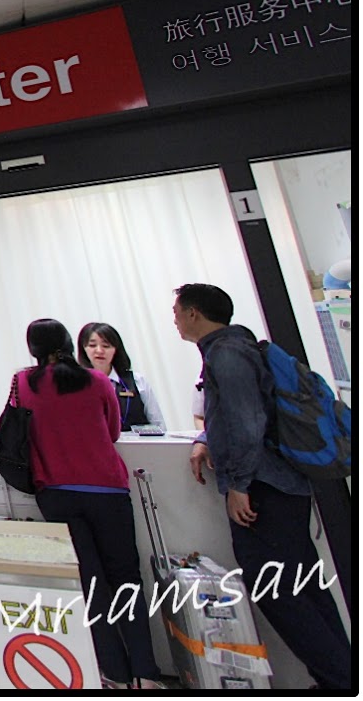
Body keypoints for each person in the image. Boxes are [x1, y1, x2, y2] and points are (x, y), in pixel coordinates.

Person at [173, 283, 352, 691]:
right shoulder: (238, 347)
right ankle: (341, 676)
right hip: (280, 484)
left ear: (195, 313)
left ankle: (338, 681)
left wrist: (238, 484)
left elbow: (247, 420)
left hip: (264, 488)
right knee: (303, 587)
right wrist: (205, 439)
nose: (176, 320)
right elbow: (239, 414)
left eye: (178, 312)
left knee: (276, 589)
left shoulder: (226, 354)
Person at [11, 319, 163, 690]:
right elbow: (112, 432)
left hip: (56, 492)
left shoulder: (23, 383)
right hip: (107, 489)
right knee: (126, 579)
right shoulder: (97, 381)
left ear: (33, 349)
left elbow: (17, 429)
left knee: (90, 585)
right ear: (71, 343)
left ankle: (114, 673)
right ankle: (145, 673)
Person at [76, 322, 165, 430]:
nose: (99, 351)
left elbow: (158, 425)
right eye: (92, 345)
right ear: (83, 348)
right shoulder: (75, 384)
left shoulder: (137, 381)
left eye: (106, 346)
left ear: (116, 349)